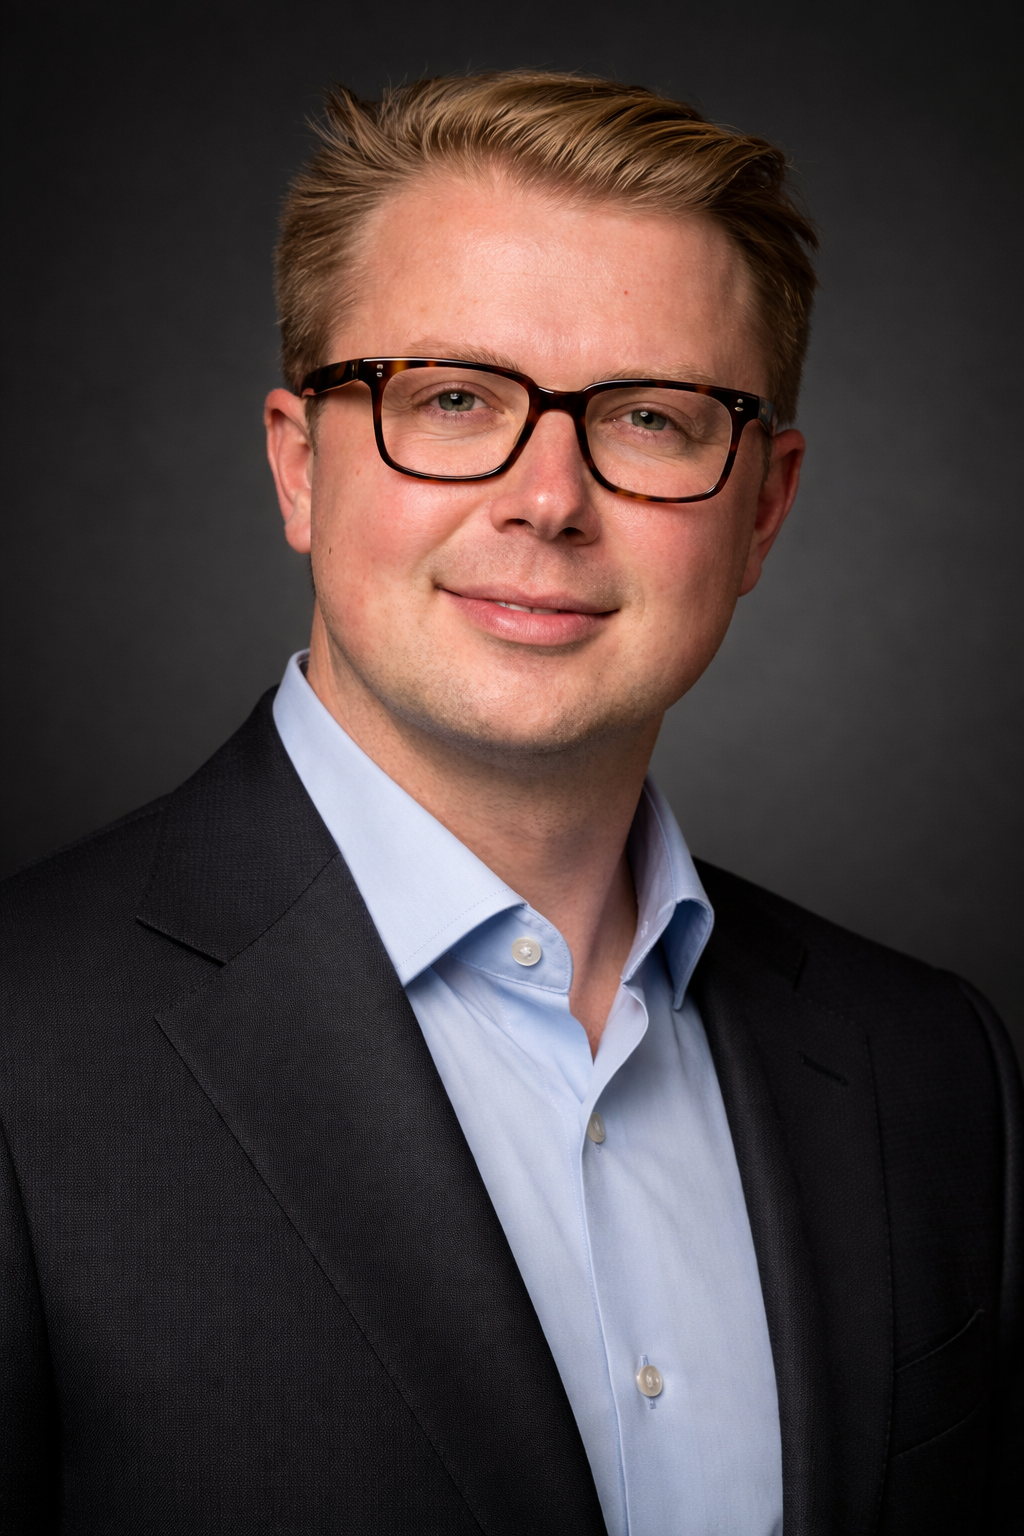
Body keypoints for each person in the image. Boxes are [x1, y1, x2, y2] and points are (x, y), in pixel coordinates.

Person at [1, 71, 1020, 1536]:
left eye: (654, 417)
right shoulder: (23, 1046)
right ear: (299, 467)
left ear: (763, 511)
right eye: (454, 399)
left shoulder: (934, 1067)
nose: (548, 499)